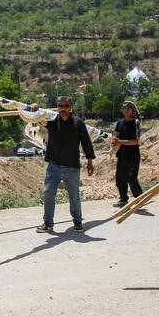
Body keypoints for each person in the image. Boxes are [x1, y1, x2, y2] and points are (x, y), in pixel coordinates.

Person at [29, 96, 95, 232]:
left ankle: (77, 221)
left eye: (65, 106)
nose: (63, 109)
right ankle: (48, 223)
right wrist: (35, 108)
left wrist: (89, 163)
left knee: (74, 196)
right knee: (48, 194)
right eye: (60, 106)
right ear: (57, 107)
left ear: (70, 108)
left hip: (71, 167)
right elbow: (39, 118)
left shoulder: (78, 123)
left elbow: (86, 144)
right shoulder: (52, 121)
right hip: (54, 166)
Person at [112, 101, 143, 209]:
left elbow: (136, 141)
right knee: (120, 178)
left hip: (133, 156)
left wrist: (120, 142)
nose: (126, 110)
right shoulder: (120, 122)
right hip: (121, 155)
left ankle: (139, 199)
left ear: (133, 110)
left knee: (132, 178)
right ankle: (123, 199)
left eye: (128, 108)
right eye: (124, 108)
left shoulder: (136, 123)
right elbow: (116, 135)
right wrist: (114, 140)